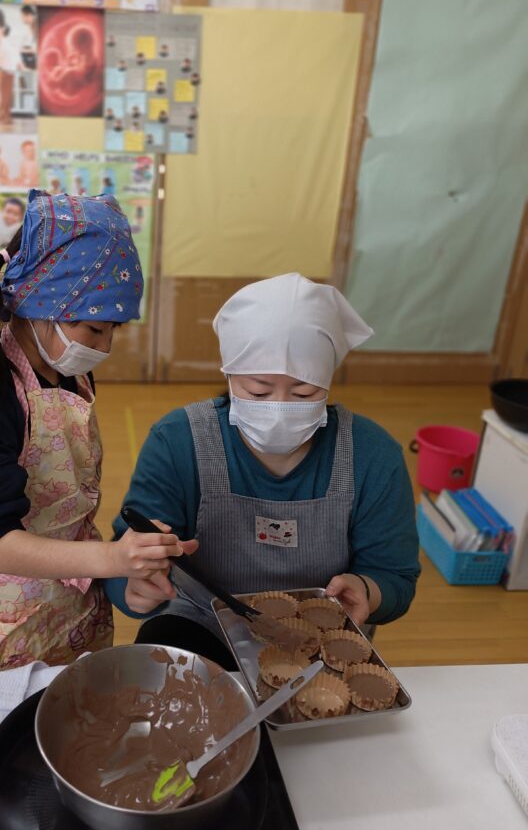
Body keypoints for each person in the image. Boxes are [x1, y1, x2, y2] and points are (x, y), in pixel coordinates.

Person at [0, 190, 193, 680]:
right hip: (10, 616)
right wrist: (112, 557)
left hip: (74, 599)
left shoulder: (67, 369)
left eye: (113, 330)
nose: (104, 347)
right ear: (40, 305)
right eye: (93, 329)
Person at [103, 274, 420, 670]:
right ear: (229, 375)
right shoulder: (178, 441)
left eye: (304, 393)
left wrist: (367, 590)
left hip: (317, 635)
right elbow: (126, 557)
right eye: (258, 391)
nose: (280, 407)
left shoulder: (372, 455)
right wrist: (134, 587)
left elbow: (395, 576)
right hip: (201, 621)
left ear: (327, 382)